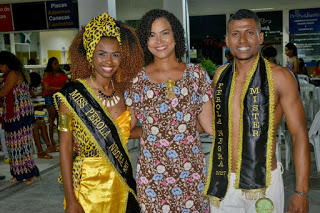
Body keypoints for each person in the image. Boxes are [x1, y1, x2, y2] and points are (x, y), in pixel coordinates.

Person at [204, 9, 310, 213]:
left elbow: (299, 135)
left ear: (260, 37)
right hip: (224, 181)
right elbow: (212, 124)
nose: (242, 39)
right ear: (227, 40)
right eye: (235, 34)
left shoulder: (281, 77)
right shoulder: (220, 75)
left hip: (265, 182)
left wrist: (301, 191)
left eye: (249, 32)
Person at [54, 13, 143, 212]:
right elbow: (66, 149)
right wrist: (71, 199)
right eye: (102, 53)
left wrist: (160, 130)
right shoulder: (70, 96)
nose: (109, 61)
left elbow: (125, 133)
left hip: (123, 186)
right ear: (90, 55)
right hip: (88, 192)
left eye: (115, 54)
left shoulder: (125, 93)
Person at [126, 9, 213, 212]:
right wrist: (153, 132)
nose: (159, 40)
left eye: (165, 33)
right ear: (144, 41)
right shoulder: (137, 80)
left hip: (191, 173)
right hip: (152, 177)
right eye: (151, 35)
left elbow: (209, 126)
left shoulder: (196, 74)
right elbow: (126, 128)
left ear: (176, 35)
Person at [0, 51, 40, 185]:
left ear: (5, 64)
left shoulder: (13, 74)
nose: (0, 68)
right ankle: (18, 174)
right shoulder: (9, 74)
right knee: (13, 146)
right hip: (12, 114)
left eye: (1, 65)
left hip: (20, 113)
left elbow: (4, 92)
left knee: (23, 145)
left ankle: (30, 174)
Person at [30, 72, 58, 159]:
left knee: (41, 123)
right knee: (35, 127)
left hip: (30, 114)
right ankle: (40, 151)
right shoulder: (27, 88)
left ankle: (49, 146)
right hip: (24, 118)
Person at [43, 57, 69, 148]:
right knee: (52, 118)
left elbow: (67, 83)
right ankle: (51, 141)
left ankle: (61, 139)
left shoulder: (62, 73)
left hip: (60, 97)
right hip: (50, 96)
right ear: (50, 64)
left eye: (57, 63)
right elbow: (47, 88)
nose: (57, 65)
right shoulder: (47, 74)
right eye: (55, 63)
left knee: (60, 119)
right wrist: (60, 89)